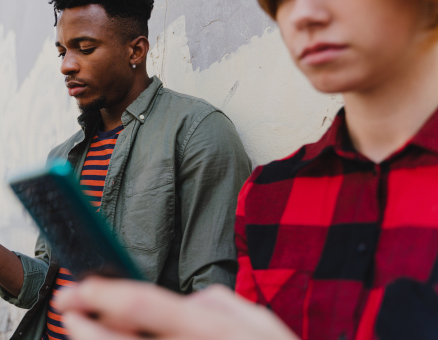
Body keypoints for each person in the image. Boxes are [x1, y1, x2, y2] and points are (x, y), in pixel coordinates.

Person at [55, 0, 438, 339]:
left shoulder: (196, 132)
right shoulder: (268, 197)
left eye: (85, 48)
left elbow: (209, 287)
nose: (303, 14)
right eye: (282, 0)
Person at [0, 0, 251, 339]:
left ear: (135, 51)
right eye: (61, 52)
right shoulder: (62, 158)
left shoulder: (197, 134)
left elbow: (214, 301)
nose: (66, 66)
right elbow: (45, 283)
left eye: (85, 49)